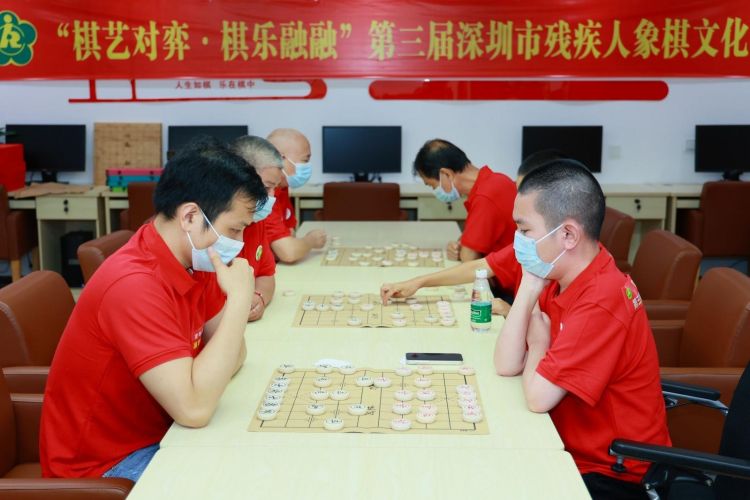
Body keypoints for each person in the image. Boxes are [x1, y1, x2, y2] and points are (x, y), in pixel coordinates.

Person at [40, 139, 268, 481]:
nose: (238, 243)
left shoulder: (196, 258)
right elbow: (194, 408)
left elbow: (236, 355)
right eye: (234, 230)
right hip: (105, 465)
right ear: (190, 216)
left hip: (163, 430)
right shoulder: (134, 285)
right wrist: (238, 300)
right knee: (242, 479)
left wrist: (200, 379)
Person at [495, 159, 670, 499]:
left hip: (612, 472)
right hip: (568, 445)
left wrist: (539, 344)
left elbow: (538, 398)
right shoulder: (561, 273)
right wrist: (528, 287)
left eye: (525, 231)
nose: (518, 241)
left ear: (568, 235)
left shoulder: (601, 298)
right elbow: (506, 364)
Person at [381, 150, 568, 317]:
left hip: (511, 297)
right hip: (519, 301)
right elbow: (479, 266)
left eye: (524, 229)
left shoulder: (487, 195)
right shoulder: (528, 244)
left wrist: (510, 312)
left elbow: (551, 333)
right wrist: (417, 283)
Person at [413, 139, 516, 262]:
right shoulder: (497, 180)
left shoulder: (484, 197)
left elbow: (468, 258)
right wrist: (459, 246)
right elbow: (472, 238)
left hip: (506, 273)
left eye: (432, 186)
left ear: (446, 174)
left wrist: (463, 251)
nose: (435, 191)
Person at [231, 135, 285, 321]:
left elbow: (265, 275)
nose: (272, 197)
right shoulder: (209, 229)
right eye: (266, 187)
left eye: (274, 188)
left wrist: (258, 298)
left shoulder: (256, 218)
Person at [265, 128, 327, 263]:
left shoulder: (282, 187)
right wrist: (310, 241)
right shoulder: (265, 194)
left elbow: (290, 233)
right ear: (280, 158)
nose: (307, 166)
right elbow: (289, 253)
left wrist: (291, 245)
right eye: (305, 160)